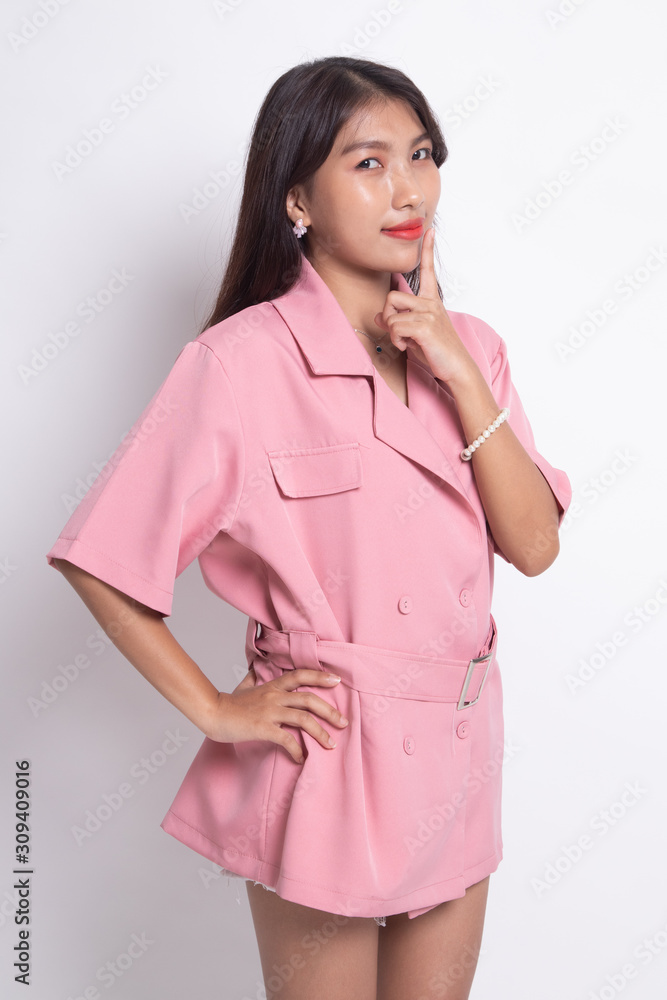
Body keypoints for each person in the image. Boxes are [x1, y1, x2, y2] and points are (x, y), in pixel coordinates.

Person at [46, 55, 571, 1000]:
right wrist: (217, 709)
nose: (407, 189)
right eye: (368, 163)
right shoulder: (240, 364)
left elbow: (534, 546)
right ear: (296, 199)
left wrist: (455, 367)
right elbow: (103, 558)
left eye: (420, 155)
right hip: (327, 752)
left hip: (455, 749)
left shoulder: (475, 349)